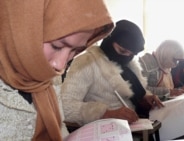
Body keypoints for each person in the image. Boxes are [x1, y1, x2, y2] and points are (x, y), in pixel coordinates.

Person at [0, 0, 114, 140]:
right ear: (22, 29)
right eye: (56, 46)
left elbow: (59, 129)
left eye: (76, 50)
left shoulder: (49, 76)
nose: (60, 66)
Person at [61, 20, 163, 130]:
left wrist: (143, 98)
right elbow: (65, 106)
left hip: (133, 129)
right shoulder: (86, 62)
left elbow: (132, 94)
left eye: (131, 55)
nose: (126, 57)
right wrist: (105, 114)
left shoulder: (129, 65)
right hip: (103, 133)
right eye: (122, 51)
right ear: (109, 40)